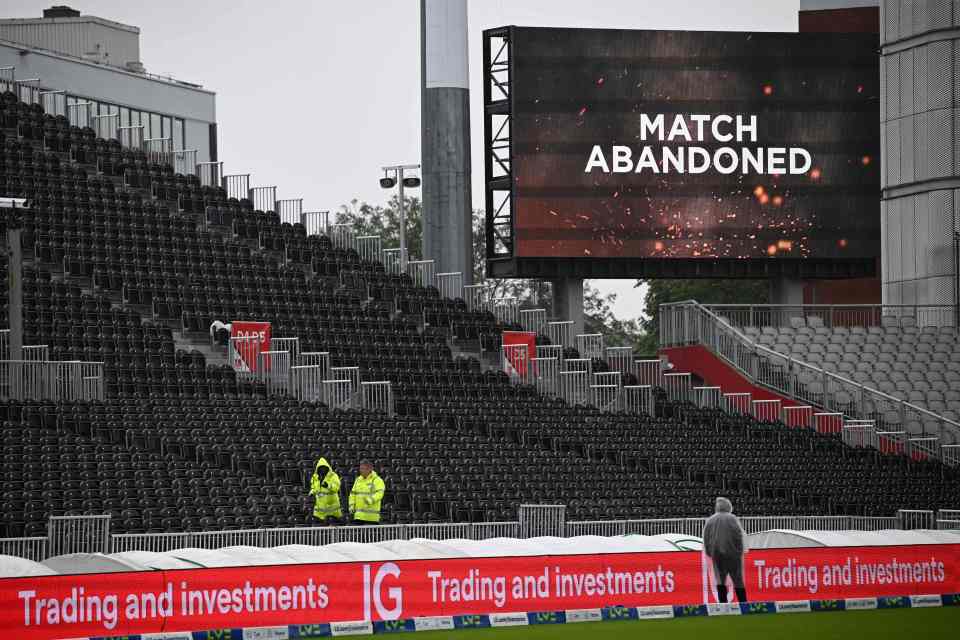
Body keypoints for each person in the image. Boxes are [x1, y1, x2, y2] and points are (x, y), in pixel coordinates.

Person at [702, 496, 748, 604]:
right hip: (734, 555)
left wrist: (709, 552)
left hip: (717, 555)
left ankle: (723, 605)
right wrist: (740, 551)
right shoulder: (733, 518)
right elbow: (739, 535)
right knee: (738, 580)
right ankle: (743, 604)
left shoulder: (711, 520)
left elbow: (706, 537)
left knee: (720, 580)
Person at [348, 460, 385, 525]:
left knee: (371, 535)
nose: (361, 470)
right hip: (358, 516)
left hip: (371, 517)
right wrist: (351, 505)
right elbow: (352, 494)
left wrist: (370, 500)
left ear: (369, 469)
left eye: (363, 468)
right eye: (360, 468)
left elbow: (380, 493)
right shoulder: (358, 480)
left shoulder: (377, 480)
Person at [308, 458, 342, 524]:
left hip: (331, 508)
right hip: (319, 508)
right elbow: (314, 487)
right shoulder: (315, 477)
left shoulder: (333, 476)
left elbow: (337, 487)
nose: (322, 469)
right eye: (321, 468)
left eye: (324, 467)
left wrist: (328, 486)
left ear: (327, 467)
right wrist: (312, 492)